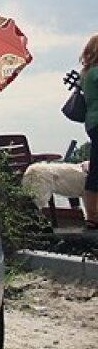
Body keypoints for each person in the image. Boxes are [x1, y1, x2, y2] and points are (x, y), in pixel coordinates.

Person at [81, 33, 98, 230]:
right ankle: (93, 216)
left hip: (92, 123)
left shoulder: (86, 73)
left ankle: (92, 215)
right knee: (96, 171)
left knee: (96, 168)